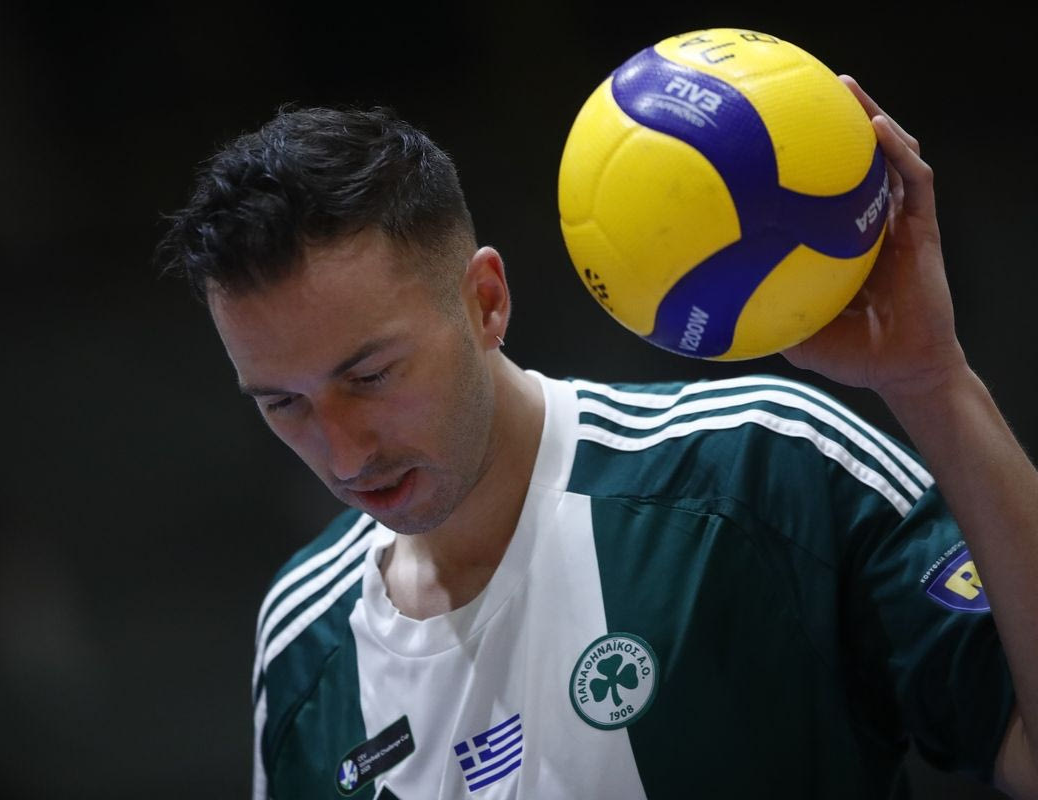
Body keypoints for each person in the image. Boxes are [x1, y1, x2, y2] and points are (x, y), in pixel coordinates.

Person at [155, 77, 1038, 799]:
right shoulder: (301, 639)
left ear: (485, 301)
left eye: (371, 376)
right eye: (284, 405)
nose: (344, 454)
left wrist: (934, 384)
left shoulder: (762, 469)